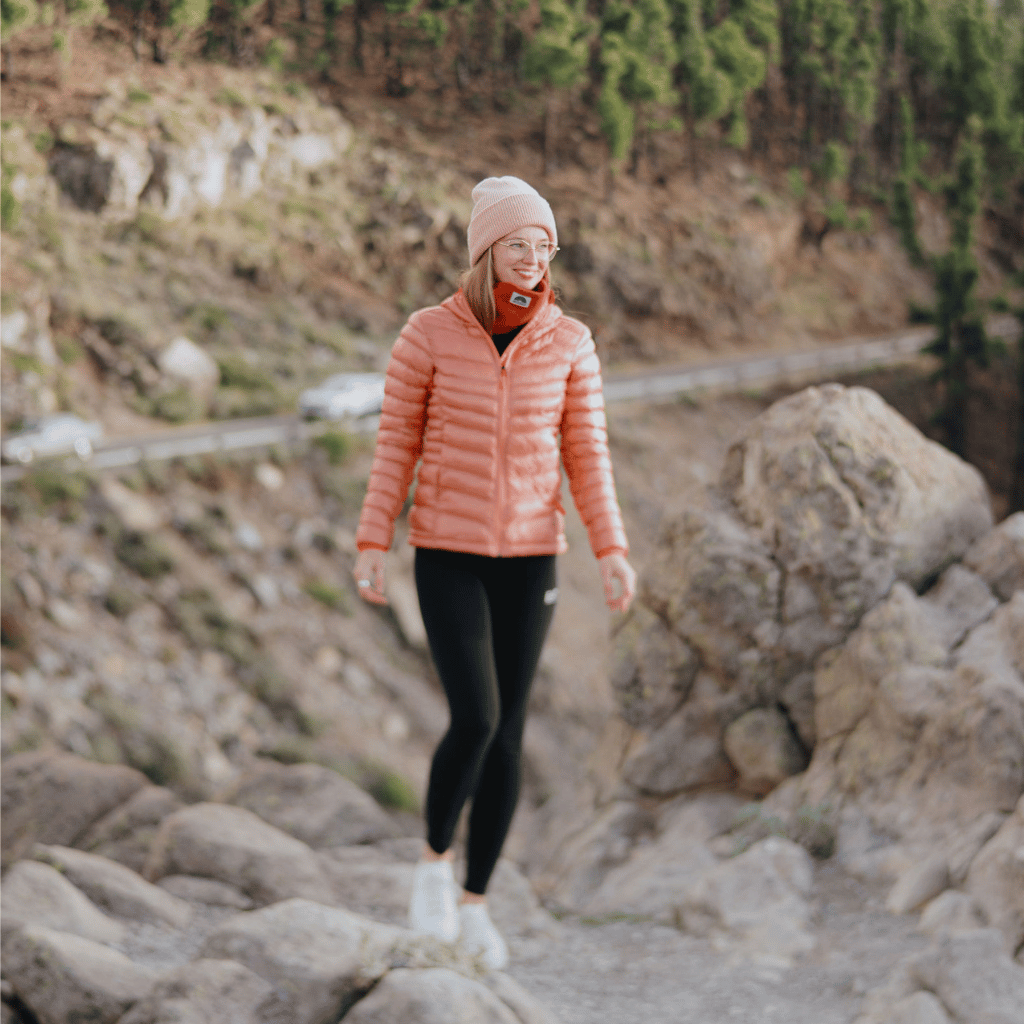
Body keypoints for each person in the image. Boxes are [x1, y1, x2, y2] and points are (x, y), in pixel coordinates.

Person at [352, 175, 636, 969]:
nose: (534, 258)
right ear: (486, 250)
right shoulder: (427, 335)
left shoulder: (570, 342)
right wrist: (373, 538)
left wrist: (610, 548)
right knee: (475, 716)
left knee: (510, 734)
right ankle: (433, 867)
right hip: (447, 551)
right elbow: (394, 446)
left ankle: (477, 906)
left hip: (533, 555)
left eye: (545, 245)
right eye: (519, 243)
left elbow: (587, 454)